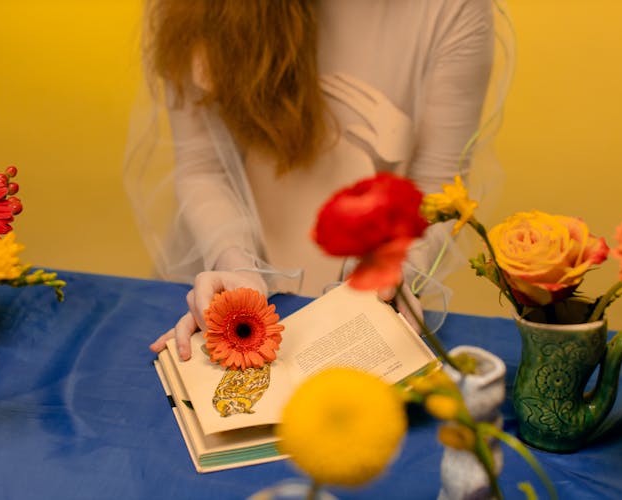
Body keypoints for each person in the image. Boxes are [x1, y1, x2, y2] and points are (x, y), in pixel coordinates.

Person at [126, 0, 513, 361]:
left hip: (366, 308)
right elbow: (202, 166)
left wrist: (400, 265)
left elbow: (438, 187)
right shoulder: (194, 9)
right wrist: (235, 262)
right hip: (219, 276)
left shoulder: (453, 8)